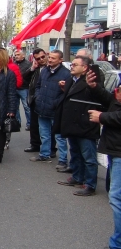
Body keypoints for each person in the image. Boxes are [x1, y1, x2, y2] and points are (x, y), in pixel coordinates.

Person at [54, 55, 100, 196]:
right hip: (72, 124)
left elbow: (96, 96)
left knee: (89, 157)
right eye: (72, 64)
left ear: (85, 68)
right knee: (75, 153)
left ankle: (90, 184)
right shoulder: (71, 80)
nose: (71, 67)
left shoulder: (91, 81)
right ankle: (77, 177)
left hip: (85, 125)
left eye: (75, 65)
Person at [87, 71, 121, 247]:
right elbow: (113, 103)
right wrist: (95, 88)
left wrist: (102, 117)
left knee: (116, 197)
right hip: (115, 148)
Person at [30, 50, 70, 164]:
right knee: (44, 134)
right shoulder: (45, 71)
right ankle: (44, 154)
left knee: (59, 137)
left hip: (55, 110)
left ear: (60, 60)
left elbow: (66, 93)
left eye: (54, 58)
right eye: (50, 57)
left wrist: (56, 103)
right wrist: (38, 97)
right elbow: (38, 86)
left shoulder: (66, 74)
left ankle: (62, 160)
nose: (50, 60)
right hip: (42, 107)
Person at [22, 48, 49, 154]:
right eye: (38, 58)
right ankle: (35, 144)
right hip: (35, 100)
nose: (41, 60)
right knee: (34, 124)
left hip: (47, 101)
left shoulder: (50, 68)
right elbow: (25, 78)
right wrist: (32, 68)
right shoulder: (36, 68)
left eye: (43, 57)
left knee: (47, 126)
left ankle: (50, 148)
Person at [13, 50, 32, 131]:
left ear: (23, 56)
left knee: (26, 107)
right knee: (15, 107)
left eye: (18, 55)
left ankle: (29, 123)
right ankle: (18, 123)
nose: (16, 56)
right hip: (14, 88)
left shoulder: (28, 64)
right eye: (15, 55)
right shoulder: (13, 64)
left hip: (24, 88)